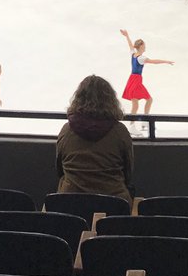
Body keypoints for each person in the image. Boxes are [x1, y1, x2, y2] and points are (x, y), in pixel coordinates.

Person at [56, 74, 134, 204]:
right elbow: (128, 171)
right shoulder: (120, 132)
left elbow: (60, 169)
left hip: (70, 203)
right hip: (113, 203)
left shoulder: (67, 130)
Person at [119, 29, 174, 133]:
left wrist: (127, 36)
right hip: (135, 81)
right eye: (144, 45)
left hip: (134, 80)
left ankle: (144, 121)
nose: (145, 46)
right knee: (136, 104)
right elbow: (154, 62)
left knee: (148, 99)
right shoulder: (141, 58)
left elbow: (130, 46)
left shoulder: (133, 54)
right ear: (140, 46)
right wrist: (166, 61)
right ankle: (132, 126)